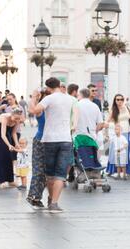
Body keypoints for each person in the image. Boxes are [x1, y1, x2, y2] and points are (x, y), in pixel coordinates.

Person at [29, 77, 76, 213]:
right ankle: (54, 203)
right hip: (66, 139)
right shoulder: (69, 99)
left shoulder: (49, 98)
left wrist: (33, 97)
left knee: (50, 174)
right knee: (60, 173)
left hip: (50, 139)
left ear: (48, 88)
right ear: (59, 85)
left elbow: (34, 111)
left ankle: (50, 198)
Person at [27, 88, 49, 209]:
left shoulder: (53, 109)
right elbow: (31, 109)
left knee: (46, 172)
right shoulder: (41, 110)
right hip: (40, 141)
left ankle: (37, 197)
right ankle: (34, 196)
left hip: (51, 141)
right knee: (38, 170)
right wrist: (34, 97)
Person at [0, 108, 23, 186]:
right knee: (0, 156)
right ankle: (1, 180)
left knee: (8, 156)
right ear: (11, 115)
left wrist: (16, 143)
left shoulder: (17, 120)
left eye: (18, 118)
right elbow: (2, 135)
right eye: (15, 118)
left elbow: (14, 133)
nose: (17, 120)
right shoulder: (5, 117)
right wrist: (9, 145)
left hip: (6, 135)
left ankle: (10, 180)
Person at [106, 94, 130, 177]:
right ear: (115, 101)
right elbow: (107, 122)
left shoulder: (126, 107)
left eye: (121, 99)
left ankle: (128, 171)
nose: (120, 101)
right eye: (117, 99)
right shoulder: (113, 110)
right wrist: (108, 133)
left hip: (128, 132)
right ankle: (112, 170)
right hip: (118, 134)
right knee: (115, 151)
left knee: (128, 151)